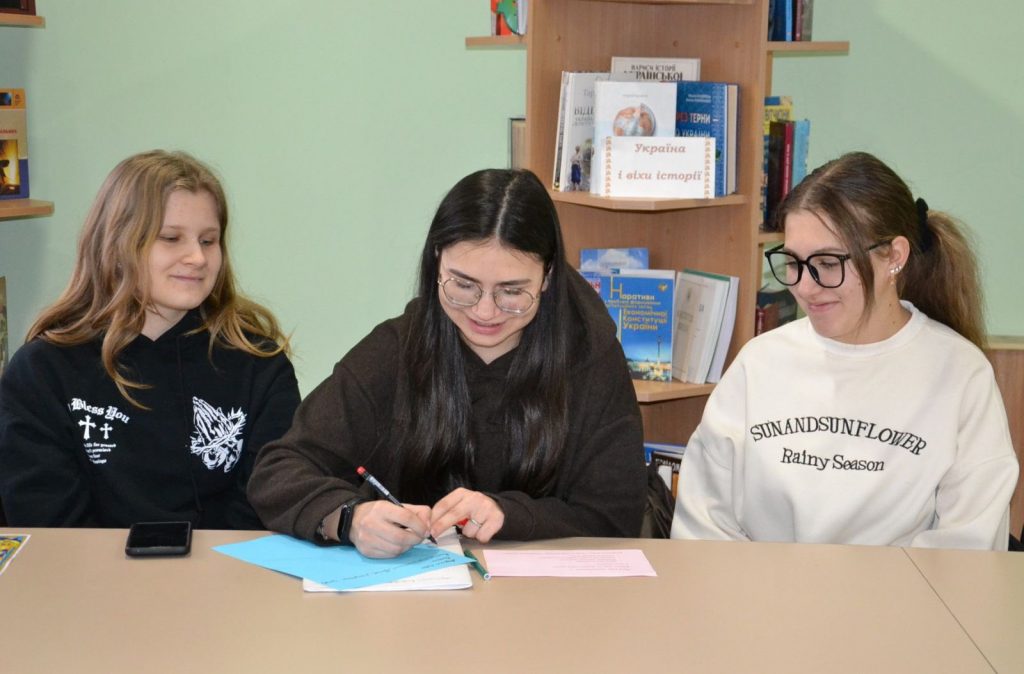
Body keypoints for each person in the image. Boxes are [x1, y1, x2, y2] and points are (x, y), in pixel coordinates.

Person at [248, 168, 646, 558]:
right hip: (414, 593)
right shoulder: (395, 349)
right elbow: (279, 470)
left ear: (547, 276)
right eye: (463, 285)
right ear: (436, 261)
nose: (485, 311)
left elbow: (616, 518)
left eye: (511, 291)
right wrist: (349, 518)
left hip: (549, 595)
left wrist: (510, 515)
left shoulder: (591, 359)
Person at [672, 151, 1018, 550]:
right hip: (762, 589)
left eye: (828, 262)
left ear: (894, 257)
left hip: (904, 592)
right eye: (793, 262)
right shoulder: (759, 362)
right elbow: (704, 523)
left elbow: (969, 546)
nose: (805, 287)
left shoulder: (959, 373)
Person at [0, 150, 300, 529]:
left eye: (209, 241)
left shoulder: (260, 362)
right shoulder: (42, 372)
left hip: (227, 564)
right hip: (85, 567)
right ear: (116, 246)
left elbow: (269, 501)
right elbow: (47, 521)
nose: (197, 257)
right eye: (171, 238)